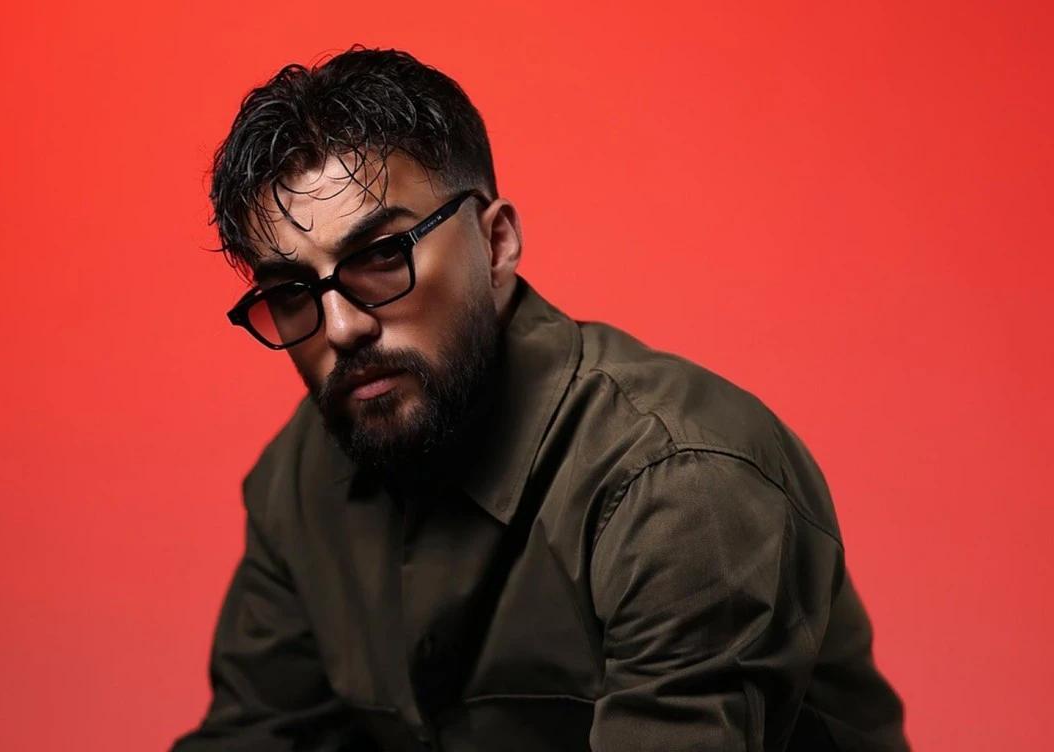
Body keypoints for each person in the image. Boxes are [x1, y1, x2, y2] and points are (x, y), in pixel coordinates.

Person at [171, 46, 909, 752]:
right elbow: (259, 735)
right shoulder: (302, 475)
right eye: (291, 292)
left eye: (381, 256)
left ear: (495, 245)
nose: (340, 327)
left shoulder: (680, 484)